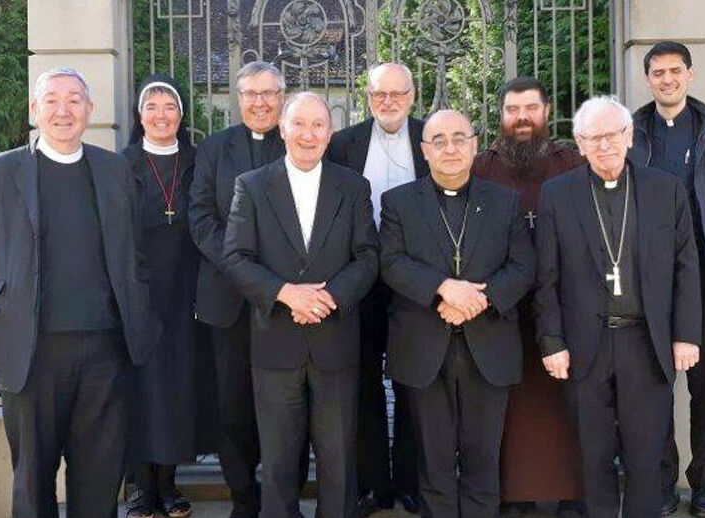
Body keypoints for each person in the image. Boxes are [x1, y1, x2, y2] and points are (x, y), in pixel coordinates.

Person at [0, 66, 158, 518]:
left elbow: (134, 257)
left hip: (106, 349)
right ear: (34, 109)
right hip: (31, 350)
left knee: (100, 477)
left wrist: (143, 327)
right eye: (52, 100)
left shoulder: (114, 170)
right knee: (33, 479)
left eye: (74, 100)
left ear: (89, 110)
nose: (64, 110)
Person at [534, 95, 702, 518]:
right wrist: (551, 340)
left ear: (628, 136)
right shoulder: (557, 194)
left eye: (612, 135)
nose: (604, 145)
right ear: (579, 143)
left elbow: (686, 267)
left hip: (647, 342)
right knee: (592, 455)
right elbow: (546, 276)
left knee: (646, 456)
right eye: (593, 137)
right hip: (584, 343)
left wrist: (686, 335)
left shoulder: (665, 189)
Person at [223, 91, 380, 518]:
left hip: (335, 343)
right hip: (276, 345)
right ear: (282, 128)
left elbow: (367, 256)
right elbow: (235, 257)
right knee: (277, 464)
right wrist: (285, 293)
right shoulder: (252, 186)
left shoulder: (353, 187)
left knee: (339, 463)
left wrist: (329, 297)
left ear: (330, 134)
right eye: (299, 124)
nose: (308, 134)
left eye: (318, 125)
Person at [379, 109, 535, 518]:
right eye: (440, 141)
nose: (450, 148)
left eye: (459, 138)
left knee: (484, 460)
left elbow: (523, 266)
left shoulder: (505, 202)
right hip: (423, 348)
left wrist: (476, 300)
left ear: (474, 144)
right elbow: (391, 262)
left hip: (489, 345)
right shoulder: (398, 202)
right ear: (424, 150)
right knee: (433, 462)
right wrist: (443, 288)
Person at [625, 41, 705, 518]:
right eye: (658, 72)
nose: (667, 79)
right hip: (648, 284)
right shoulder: (632, 131)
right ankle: (661, 483)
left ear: (690, 75)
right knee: (654, 389)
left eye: (675, 70)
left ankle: (703, 484)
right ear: (649, 79)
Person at [188, 61, 308, 518]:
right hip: (228, 300)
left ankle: (286, 500)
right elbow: (200, 217)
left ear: (283, 96)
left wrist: (278, 283)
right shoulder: (214, 149)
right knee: (233, 409)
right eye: (251, 94)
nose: (260, 102)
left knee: (291, 407)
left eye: (269, 93)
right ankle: (243, 497)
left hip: (288, 303)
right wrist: (242, 268)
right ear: (239, 100)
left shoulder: (300, 140)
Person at [472, 76, 586, 516]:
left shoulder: (572, 162)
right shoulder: (482, 166)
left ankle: (572, 494)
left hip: (565, 307)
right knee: (511, 409)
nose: (522, 118)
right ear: (501, 117)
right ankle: (513, 497)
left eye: (530, 109)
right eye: (512, 110)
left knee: (567, 404)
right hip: (503, 310)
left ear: (547, 110)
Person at [324, 62, 428, 516]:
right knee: (361, 383)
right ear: (367, 97)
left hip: (417, 279)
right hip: (360, 279)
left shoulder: (432, 138)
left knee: (414, 383)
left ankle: (410, 482)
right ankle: (372, 485)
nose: (388, 102)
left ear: (412, 95)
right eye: (378, 94)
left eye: (397, 93)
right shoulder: (343, 144)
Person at [119, 74, 218, 518]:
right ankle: (140, 487)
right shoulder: (121, 165)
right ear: (140, 116)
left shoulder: (200, 161)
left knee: (177, 390)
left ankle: (170, 484)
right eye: (152, 107)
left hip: (186, 290)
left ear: (182, 114)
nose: (162, 115)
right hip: (137, 290)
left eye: (170, 106)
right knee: (138, 389)